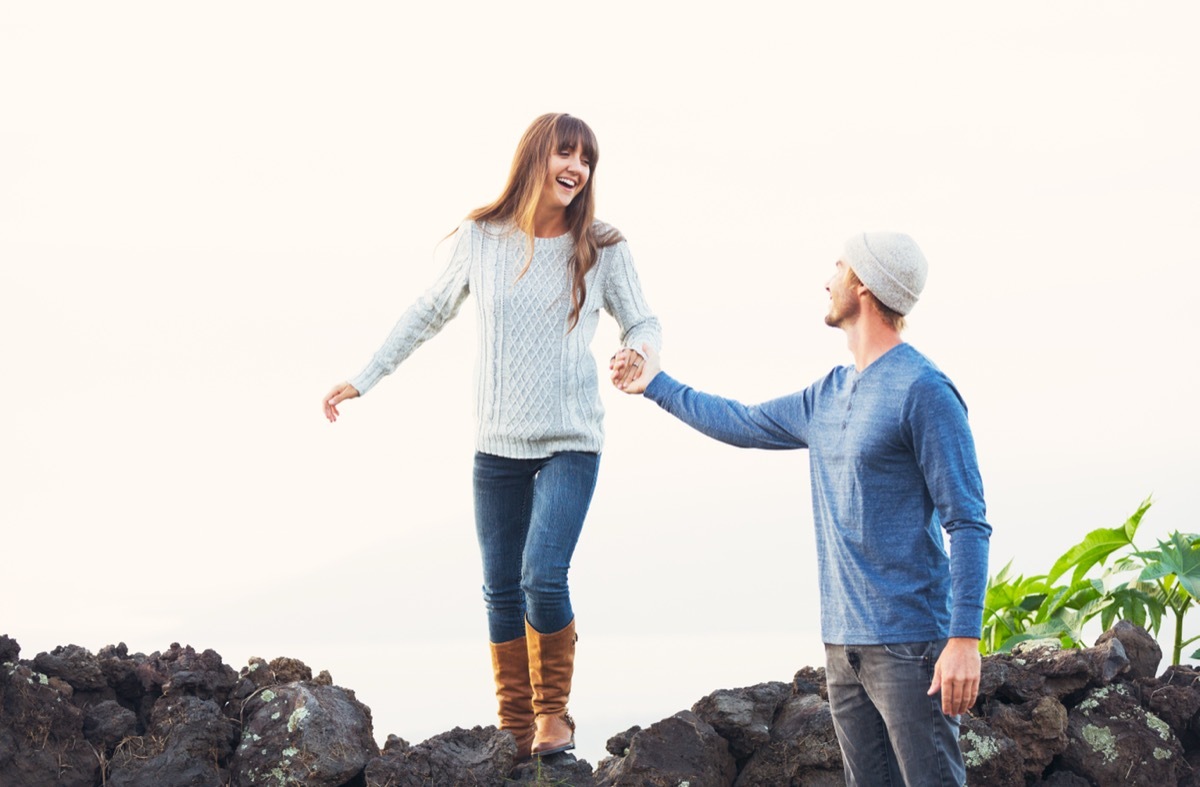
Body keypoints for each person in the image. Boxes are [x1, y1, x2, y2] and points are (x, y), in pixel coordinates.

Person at [323, 113, 661, 760]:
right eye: (566, 153)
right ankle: (513, 731)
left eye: (586, 160)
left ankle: (553, 717)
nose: (577, 169)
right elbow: (428, 311)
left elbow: (643, 319)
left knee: (542, 573)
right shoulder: (482, 237)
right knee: (500, 586)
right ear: (536, 157)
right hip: (498, 444)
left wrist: (638, 355)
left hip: (571, 439)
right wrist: (364, 377)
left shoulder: (603, 244)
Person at [612, 232, 989, 786]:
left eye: (838, 265)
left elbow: (969, 521)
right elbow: (740, 421)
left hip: (911, 645)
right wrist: (657, 384)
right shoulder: (827, 394)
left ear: (864, 284)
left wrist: (964, 640)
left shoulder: (924, 390)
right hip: (842, 645)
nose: (827, 278)